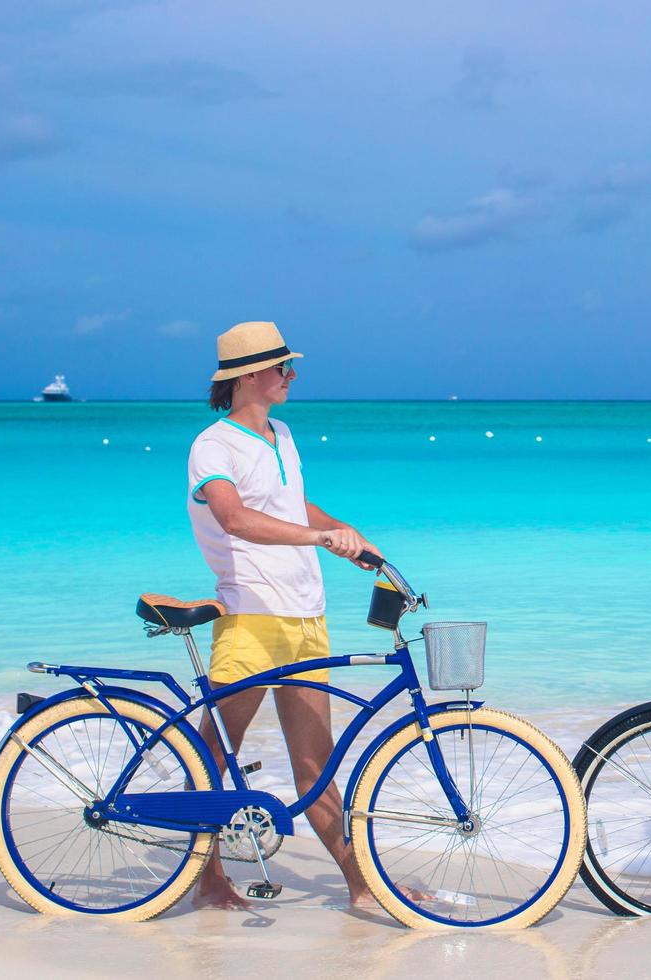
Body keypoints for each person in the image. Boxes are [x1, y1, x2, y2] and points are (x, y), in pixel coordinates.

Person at [185, 320, 382, 910]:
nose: (292, 376)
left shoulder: (282, 433)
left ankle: (363, 889)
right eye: (282, 367)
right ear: (249, 376)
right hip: (251, 618)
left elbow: (292, 504)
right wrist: (317, 540)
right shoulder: (212, 447)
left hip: (306, 619)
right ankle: (206, 879)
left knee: (315, 767)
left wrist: (349, 539)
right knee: (211, 761)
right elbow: (235, 519)